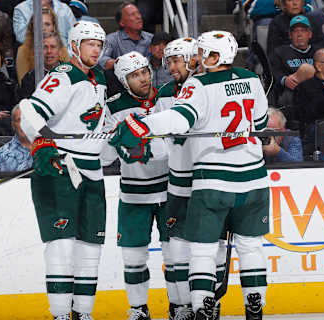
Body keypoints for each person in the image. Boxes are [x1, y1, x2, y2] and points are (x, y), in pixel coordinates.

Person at [109, 30, 270, 320]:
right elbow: (259, 121)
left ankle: (203, 309)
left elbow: (180, 119)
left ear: (215, 56)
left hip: (212, 179)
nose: (197, 57)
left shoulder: (198, 84)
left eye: (202, 53)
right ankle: (254, 306)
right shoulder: (250, 78)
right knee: (251, 246)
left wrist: (140, 126)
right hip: (255, 177)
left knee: (203, 250)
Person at [19, 20, 107, 320]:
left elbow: (96, 128)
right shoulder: (64, 74)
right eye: (90, 44)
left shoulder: (100, 80)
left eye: (99, 44)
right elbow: (30, 111)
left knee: (90, 248)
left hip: (92, 172)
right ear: (74, 46)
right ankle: (59, 315)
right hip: (61, 169)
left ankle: (83, 313)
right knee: (61, 247)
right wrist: (42, 144)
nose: (95, 49)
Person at [100, 50, 175, 320]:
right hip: (134, 194)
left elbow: (174, 146)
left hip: (170, 191)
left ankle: (179, 307)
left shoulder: (168, 97)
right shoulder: (114, 107)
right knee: (133, 259)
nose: (143, 78)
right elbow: (104, 157)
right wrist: (114, 139)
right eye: (134, 75)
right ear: (123, 80)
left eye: (144, 71)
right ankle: (138, 309)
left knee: (176, 255)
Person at [157, 37, 226, 320]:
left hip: (207, 180)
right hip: (177, 182)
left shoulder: (208, 87)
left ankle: (208, 302)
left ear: (193, 60)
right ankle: (181, 305)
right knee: (177, 250)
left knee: (213, 247)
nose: (171, 66)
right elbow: (161, 140)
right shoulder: (163, 93)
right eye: (168, 61)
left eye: (176, 60)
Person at [270, 15, 318, 106]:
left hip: (316, 90)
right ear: (290, 35)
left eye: (303, 30)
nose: (299, 34)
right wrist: (284, 79)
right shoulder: (280, 52)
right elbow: (273, 71)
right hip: (291, 91)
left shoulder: (319, 52)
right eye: (295, 31)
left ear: (310, 34)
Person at [15, 6, 69, 83]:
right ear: (32, 27)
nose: (43, 28)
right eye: (39, 24)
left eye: (47, 24)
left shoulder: (62, 49)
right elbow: (23, 83)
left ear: (53, 27)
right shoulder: (23, 51)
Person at [98, 2, 152, 71]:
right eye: (132, 14)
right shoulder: (112, 39)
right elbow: (101, 59)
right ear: (122, 22)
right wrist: (124, 63)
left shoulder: (151, 38)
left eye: (138, 13)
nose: (138, 17)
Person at [18, 32, 67, 99]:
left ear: (60, 52)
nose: (49, 51)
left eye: (53, 47)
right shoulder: (29, 78)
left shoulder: (71, 74)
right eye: (45, 47)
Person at [0, 104, 32, 171]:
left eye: (27, 120)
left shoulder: (52, 148)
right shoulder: (2, 154)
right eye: (19, 120)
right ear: (13, 125)